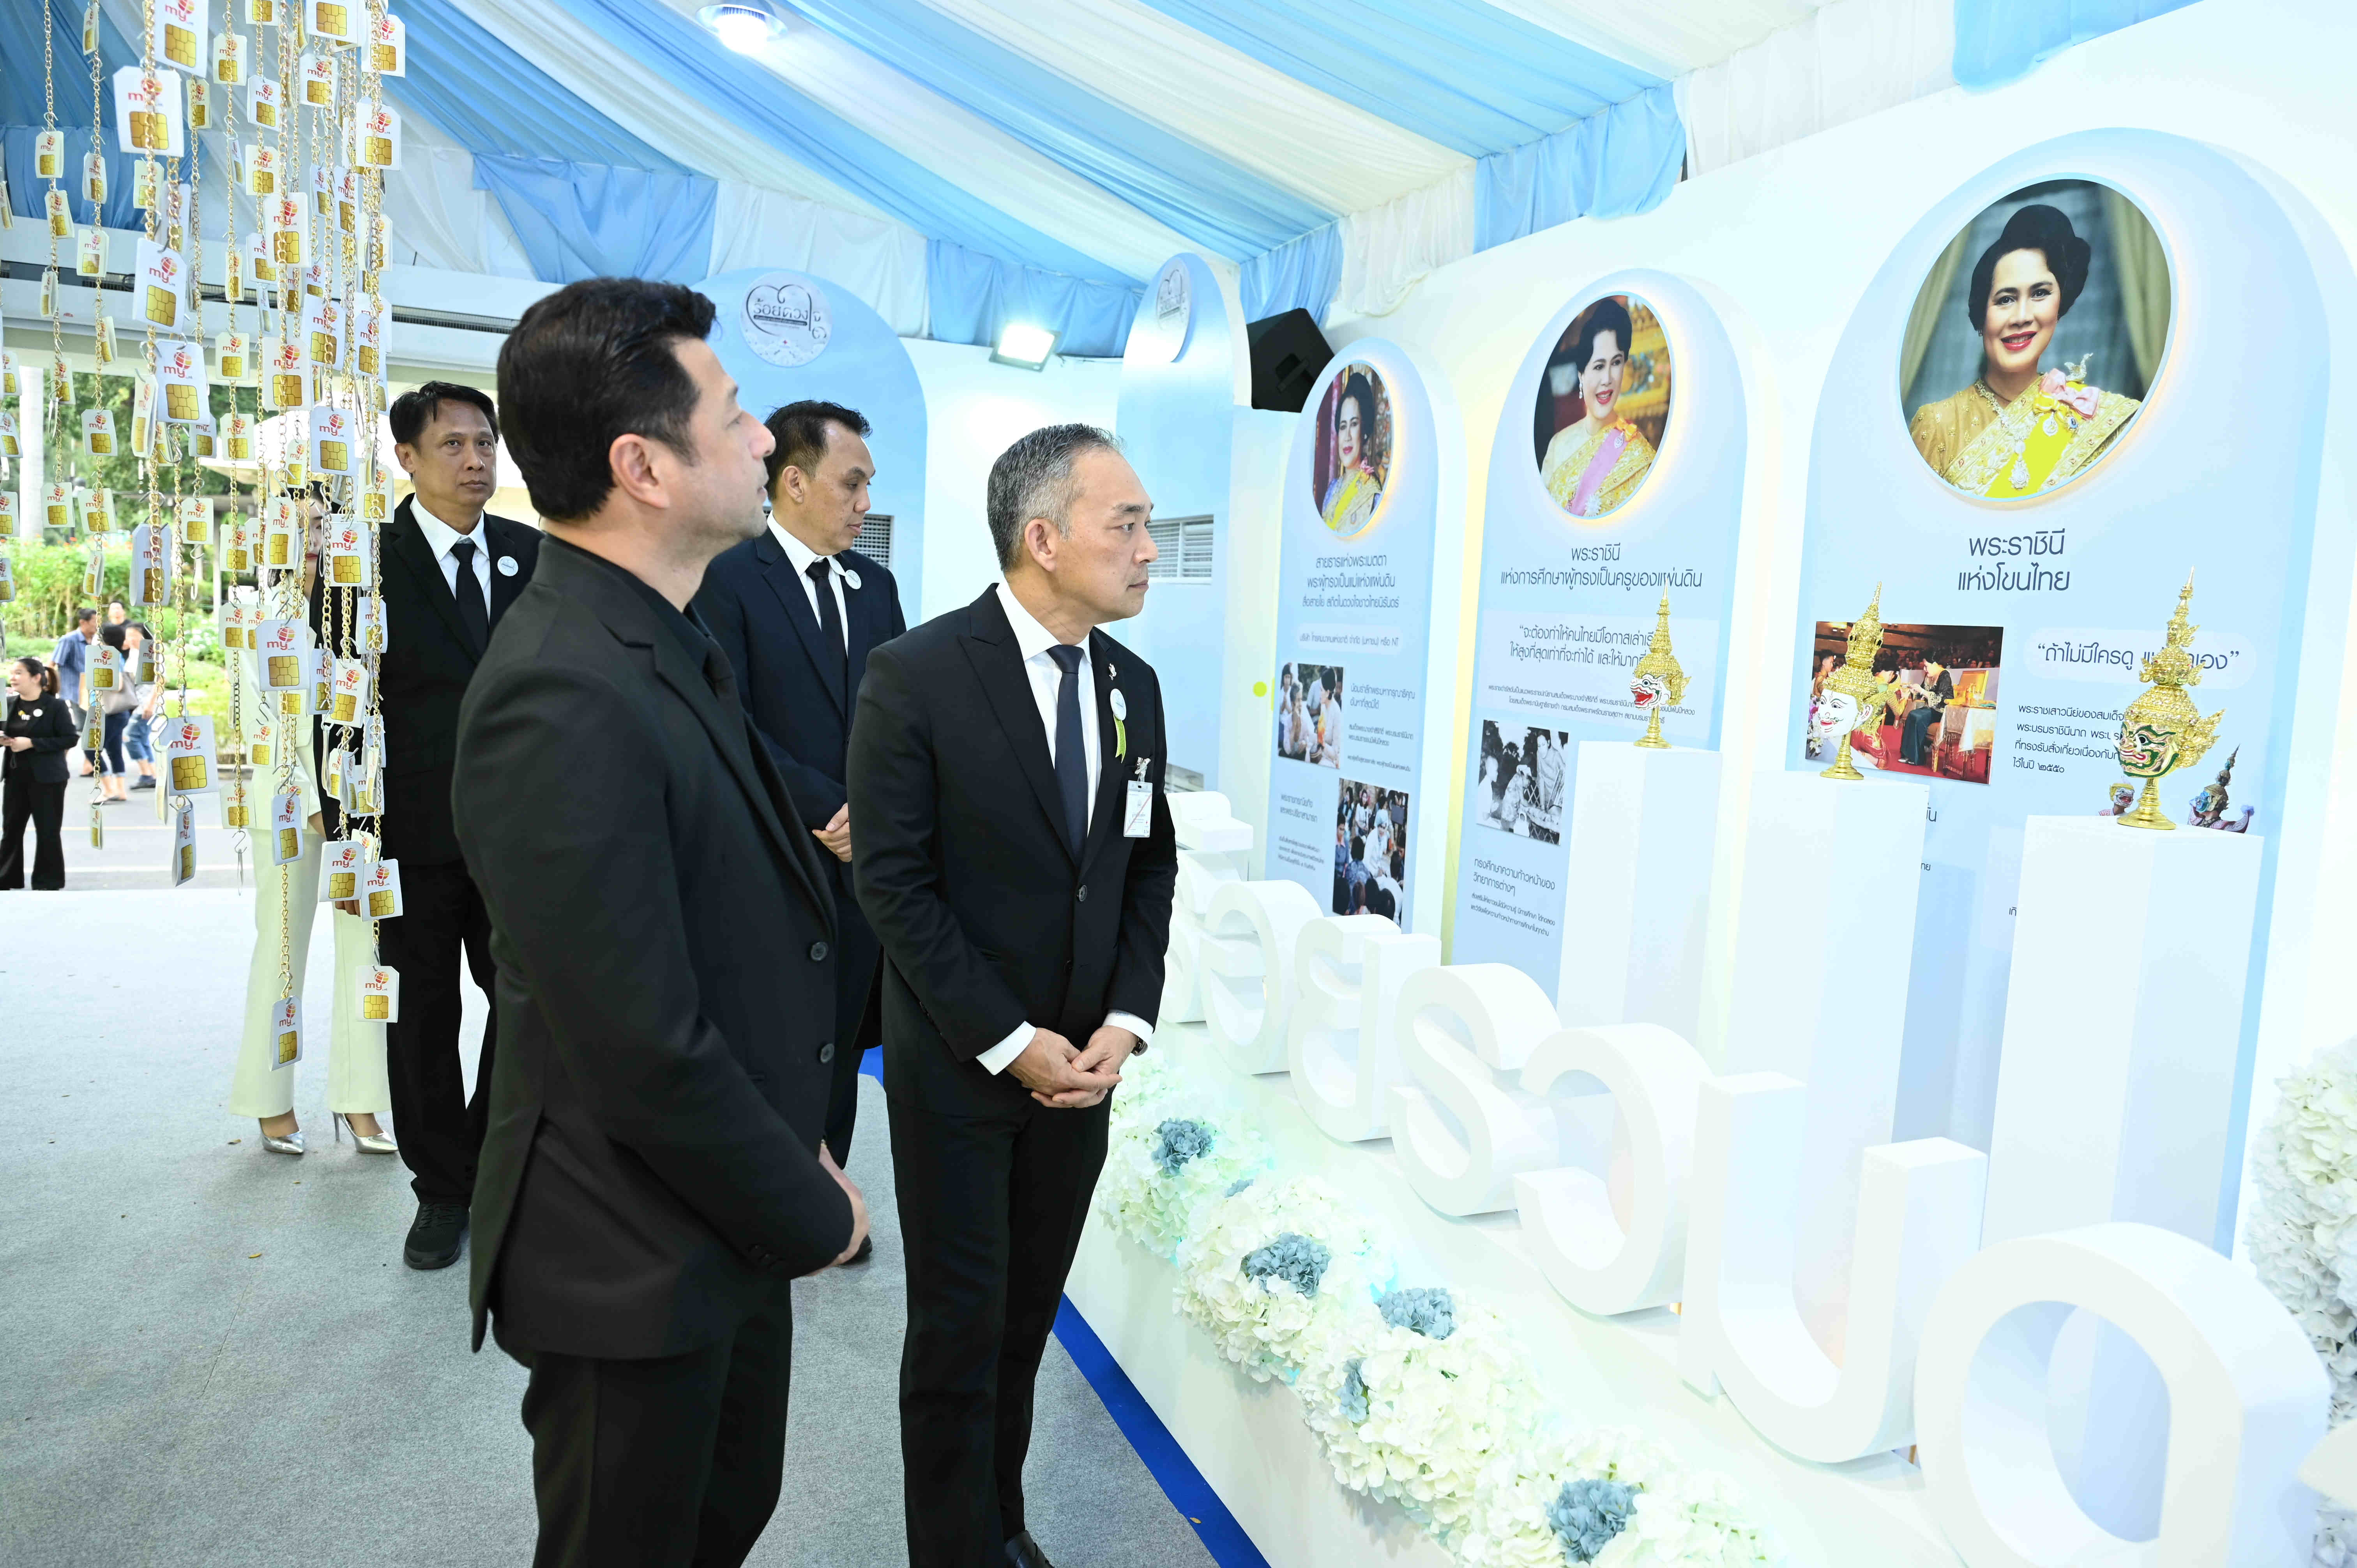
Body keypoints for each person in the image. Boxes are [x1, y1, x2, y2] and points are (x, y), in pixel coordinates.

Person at [457, 277, 863, 1568]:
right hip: (626, 1251)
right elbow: (638, 1039)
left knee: (718, 1519)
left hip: (717, 1203)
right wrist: (809, 1199)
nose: (763, 440)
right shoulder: (560, 690)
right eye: (735, 417)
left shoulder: (656, 633)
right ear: (641, 467)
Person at [848, 423, 1176, 1568]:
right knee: (958, 1330)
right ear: (1044, 539)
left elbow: (1145, 865)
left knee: (1028, 1317)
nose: (1148, 548)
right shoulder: (918, 674)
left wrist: (1124, 1021)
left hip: (1083, 1076)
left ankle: (999, 1521)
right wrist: (1007, 1037)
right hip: (962, 1069)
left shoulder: (1133, 685)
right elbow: (895, 884)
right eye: (1126, 524)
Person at [695, 399, 904, 1243]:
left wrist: (877, 810)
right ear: (792, 480)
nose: (865, 503)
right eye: (852, 484)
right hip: (772, 852)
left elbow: (900, 716)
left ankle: (827, 1197)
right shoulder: (726, 575)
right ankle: (763, 1197)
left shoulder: (875, 585)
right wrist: (824, 805)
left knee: (841, 1037)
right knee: (769, 1036)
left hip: (861, 860)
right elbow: (726, 717)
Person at [349, 380, 541, 1270]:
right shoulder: (362, 564)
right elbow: (338, 713)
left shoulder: (533, 556)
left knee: (531, 1004)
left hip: (520, 838)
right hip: (409, 839)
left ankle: (493, 1160)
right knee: (421, 1016)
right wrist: (351, 833)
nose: (475, 460)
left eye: (485, 443)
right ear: (407, 458)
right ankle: (441, 1187)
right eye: (453, 444)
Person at [227, 510, 395, 1159]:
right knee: (281, 946)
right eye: (301, 528)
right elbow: (259, 715)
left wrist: (364, 797)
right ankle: (269, 1099)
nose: (315, 541)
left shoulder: (368, 605)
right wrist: (315, 801)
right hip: (290, 805)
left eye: (325, 526)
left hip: (365, 800)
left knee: (368, 948)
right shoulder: (253, 612)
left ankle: (361, 1097)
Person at [1908, 203, 2140, 496]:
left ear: (2059, 306)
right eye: (2005, 299)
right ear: (1982, 314)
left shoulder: (2098, 414)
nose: (2021, 317)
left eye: (2040, 294)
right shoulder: (1937, 425)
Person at [1541, 297, 1657, 519]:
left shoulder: (1640, 458)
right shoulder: (1558, 446)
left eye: (1616, 363)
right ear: (1581, 376)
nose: (1607, 379)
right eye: (1599, 366)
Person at [2, 657, 73, 889]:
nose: (13, 678)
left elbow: (69, 738)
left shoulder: (56, 707)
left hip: (48, 778)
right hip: (15, 777)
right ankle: (7, 877)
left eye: (18, 673)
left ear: (36, 678)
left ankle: (48, 880)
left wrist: (32, 743)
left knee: (48, 830)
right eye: (12, 673)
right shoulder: (9, 704)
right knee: (11, 829)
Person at [1319, 370, 1383, 536]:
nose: (1347, 436)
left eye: (1354, 424)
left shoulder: (1373, 495)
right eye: (1343, 427)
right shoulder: (1332, 490)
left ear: (1364, 431)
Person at [93, 623, 136, 804]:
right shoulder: (114, 655)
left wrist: (97, 681)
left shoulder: (110, 656)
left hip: (111, 711)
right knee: (114, 751)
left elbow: (117, 685)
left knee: (91, 750)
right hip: (117, 712)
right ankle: (120, 791)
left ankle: (109, 790)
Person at [51, 607, 97, 765]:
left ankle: (89, 765)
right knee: (80, 728)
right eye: (95, 622)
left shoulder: (96, 641)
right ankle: (60, 762)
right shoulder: (69, 640)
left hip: (91, 692)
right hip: (74, 692)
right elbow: (52, 664)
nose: (98, 625)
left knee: (88, 728)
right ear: (83, 623)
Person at [124, 622, 160, 790]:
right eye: (128, 636)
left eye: (134, 636)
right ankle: (153, 775)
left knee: (130, 737)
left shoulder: (152, 654)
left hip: (146, 705)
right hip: (137, 704)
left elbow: (160, 682)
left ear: (144, 637)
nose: (131, 639)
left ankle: (146, 775)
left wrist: (150, 705)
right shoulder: (133, 654)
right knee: (143, 739)